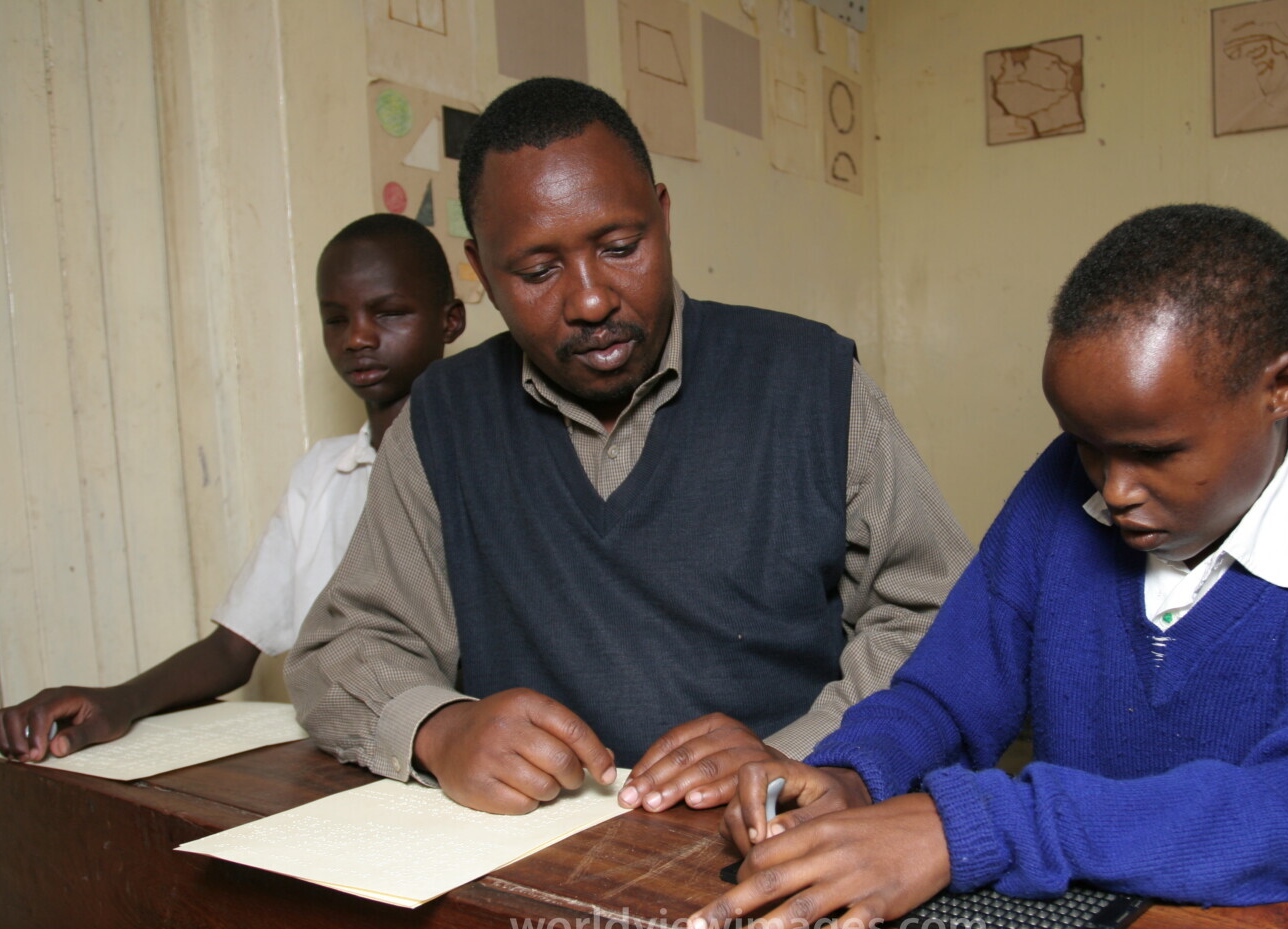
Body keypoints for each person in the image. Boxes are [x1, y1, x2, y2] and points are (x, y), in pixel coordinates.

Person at [689, 206, 1288, 929]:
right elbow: (946, 695)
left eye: (1155, 452)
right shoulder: (1068, 485)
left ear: (1281, 387)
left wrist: (973, 827)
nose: (1114, 487)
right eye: (1086, 442)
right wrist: (859, 774)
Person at [285, 77, 971, 818]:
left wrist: (800, 755)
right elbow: (345, 645)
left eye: (620, 246)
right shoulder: (443, 419)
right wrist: (439, 729)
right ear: (480, 272)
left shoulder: (811, 381)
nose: (589, 299)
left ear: (663, 216)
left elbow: (943, 618)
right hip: (531, 856)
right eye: (538, 270)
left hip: (781, 832)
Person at [0, 214, 465, 763]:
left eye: (388, 313)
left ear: (450, 321)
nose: (357, 337)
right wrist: (118, 701)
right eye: (335, 319)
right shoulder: (321, 473)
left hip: (449, 752)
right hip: (341, 752)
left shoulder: (482, 462)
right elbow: (232, 648)